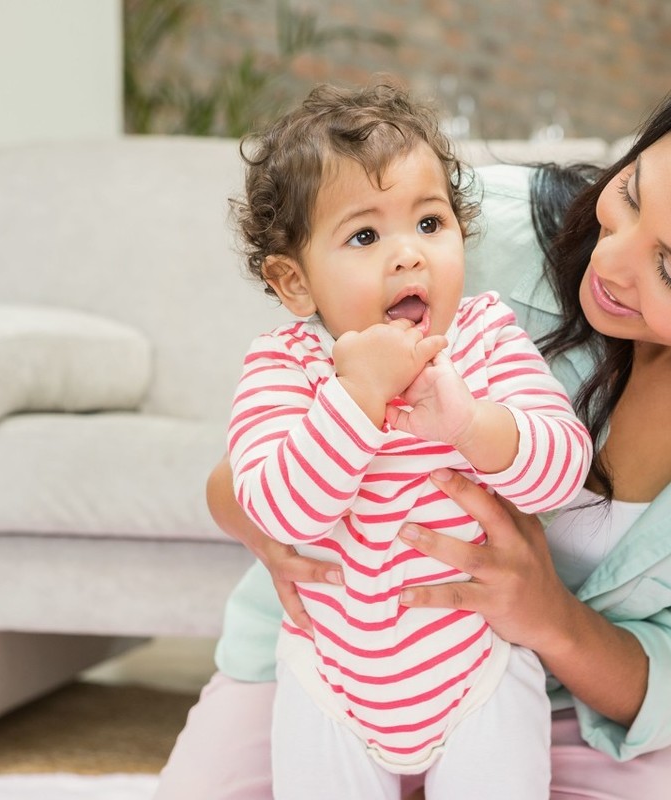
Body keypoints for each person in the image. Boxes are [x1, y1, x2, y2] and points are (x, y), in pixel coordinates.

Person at [156, 46, 671, 799]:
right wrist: (271, 519)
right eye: (630, 193)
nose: (609, 264)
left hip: (535, 698)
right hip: (331, 655)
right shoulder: (453, 231)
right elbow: (249, 475)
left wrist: (545, 614)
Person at [220, 83, 592, 799]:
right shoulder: (285, 366)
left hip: (477, 669)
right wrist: (356, 397)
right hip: (330, 678)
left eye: (430, 223)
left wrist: (470, 426)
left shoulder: (483, 338)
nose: (409, 256)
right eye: (365, 236)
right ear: (294, 281)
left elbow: (563, 472)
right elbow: (279, 512)